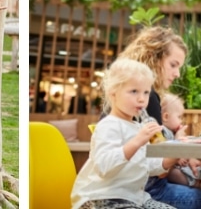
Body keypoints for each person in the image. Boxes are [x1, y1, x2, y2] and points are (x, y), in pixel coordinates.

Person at [120, 26, 201, 209]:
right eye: (173, 65)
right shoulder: (146, 100)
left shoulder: (139, 94)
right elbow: (158, 168)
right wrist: (184, 151)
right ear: (154, 58)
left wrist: (188, 157)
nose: (177, 74)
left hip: (149, 183)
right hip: (148, 191)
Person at [71, 57, 179, 209]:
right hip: (100, 198)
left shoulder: (137, 126)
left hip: (133, 198)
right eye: (134, 91)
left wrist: (168, 160)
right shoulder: (108, 125)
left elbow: (143, 164)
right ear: (113, 94)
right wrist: (137, 141)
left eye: (146, 92)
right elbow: (104, 167)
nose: (142, 99)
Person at [160, 93, 201, 192]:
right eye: (179, 117)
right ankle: (199, 185)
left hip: (181, 165)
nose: (181, 121)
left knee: (194, 168)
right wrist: (179, 139)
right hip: (170, 169)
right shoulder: (162, 131)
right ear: (166, 117)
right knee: (175, 173)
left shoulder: (173, 132)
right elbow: (164, 152)